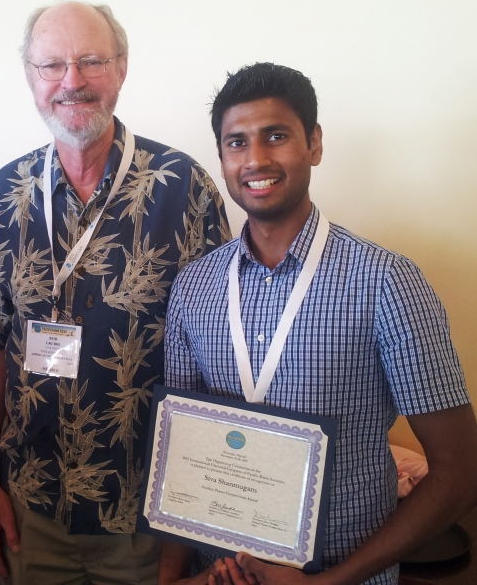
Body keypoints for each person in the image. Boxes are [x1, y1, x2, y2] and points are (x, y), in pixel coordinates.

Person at [160, 62, 477, 585]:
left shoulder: (387, 282)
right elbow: (181, 446)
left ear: (315, 144)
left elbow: (460, 474)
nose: (256, 159)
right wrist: (169, 579)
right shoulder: (195, 287)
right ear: (221, 158)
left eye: (276, 136)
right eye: (236, 143)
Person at [0, 1, 230, 585]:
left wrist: (187, 526)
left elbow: (217, 364)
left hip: (145, 514)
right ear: (31, 77)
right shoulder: (1, 196)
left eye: (90, 61)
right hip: (30, 504)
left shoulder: (185, 189)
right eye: (52, 64)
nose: (72, 81)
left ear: (122, 68)